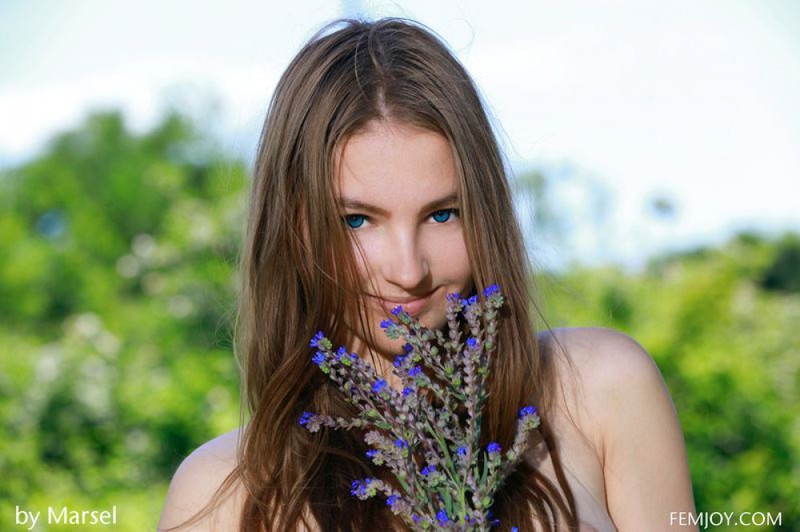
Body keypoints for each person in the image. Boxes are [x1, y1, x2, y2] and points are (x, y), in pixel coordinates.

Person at [157, 16, 697, 532]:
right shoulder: (220, 493)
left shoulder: (600, 388)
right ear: (293, 229)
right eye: (357, 221)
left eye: (442, 214)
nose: (408, 270)